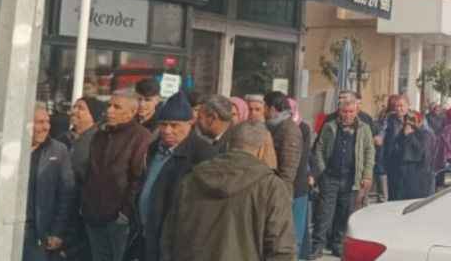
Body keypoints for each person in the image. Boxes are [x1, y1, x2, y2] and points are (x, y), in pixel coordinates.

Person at [162, 122, 295, 261]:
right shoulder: (271, 187)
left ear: (228, 145)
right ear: (262, 149)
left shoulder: (192, 178)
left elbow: (169, 237)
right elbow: (281, 249)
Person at [135, 91, 213, 261]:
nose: (167, 130)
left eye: (174, 125)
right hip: (147, 234)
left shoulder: (202, 153)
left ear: (189, 123)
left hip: (176, 241)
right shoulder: (154, 149)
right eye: (163, 125)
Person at [82, 89, 153, 261]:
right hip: (93, 215)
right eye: (109, 105)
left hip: (119, 219)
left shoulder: (141, 136)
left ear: (132, 112)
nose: (109, 110)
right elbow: (90, 172)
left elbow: (138, 178)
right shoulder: (100, 135)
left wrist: (125, 213)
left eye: (117, 107)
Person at [309, 94, 374, 259]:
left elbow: (369, 152)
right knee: (324, 213)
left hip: (351, 179)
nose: (347, 115)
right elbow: (319, 149)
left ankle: (338, 244)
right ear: (339, 111)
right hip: (330, 177)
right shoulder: (330, 126)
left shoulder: (364, 129)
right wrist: (322, 172)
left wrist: (366, 174)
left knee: (344, 213)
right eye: (344, 111)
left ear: (356, 111)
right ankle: (317, 245)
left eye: (351, 111)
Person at [24, 104, 75, 261]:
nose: (45, 127)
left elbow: (66, 195)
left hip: (38, 233)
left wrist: (57, 231)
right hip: (6, 226)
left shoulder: (58, 151)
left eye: (47, 122)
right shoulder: (10, 147)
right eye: (39, 122)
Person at [65, 96, 105, 261]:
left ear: (93, 115)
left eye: (81, 108)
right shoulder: (64, 139)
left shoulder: (98, 141)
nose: (74, 111)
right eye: (74, 107)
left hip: (82, 213)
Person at [287, 98, 314, 258]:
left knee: (297, 229)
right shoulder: (278, 127)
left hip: (298, 185)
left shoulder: (302, 128)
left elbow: (303, 158)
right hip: (283, 184)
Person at [264, 91, 304, 189]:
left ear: (272, 109)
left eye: (264, 107)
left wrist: (280, 194)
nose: (263, 112)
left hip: (280, 190)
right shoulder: (274, 127)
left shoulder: (289, 130)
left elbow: (288, 171)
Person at [397, 113, 435, 200]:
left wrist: (410, 135)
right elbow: (399, 146)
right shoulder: (403, 131)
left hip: (418, 169)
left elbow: (421, 150)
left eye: (412, 120)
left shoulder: (425, 133)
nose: (409, 123)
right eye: (407, 121)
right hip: (405, 168)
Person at [381, 95, 411, 201]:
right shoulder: (390, 118)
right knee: (392, 192)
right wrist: (380, 138)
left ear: (408, 106)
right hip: (393, 159)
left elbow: (427, 135)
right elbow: (383, 131)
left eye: (401, 106)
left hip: (409, 161)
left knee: (406, 192)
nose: (399, 109)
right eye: (396, 106)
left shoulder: (415, 118)